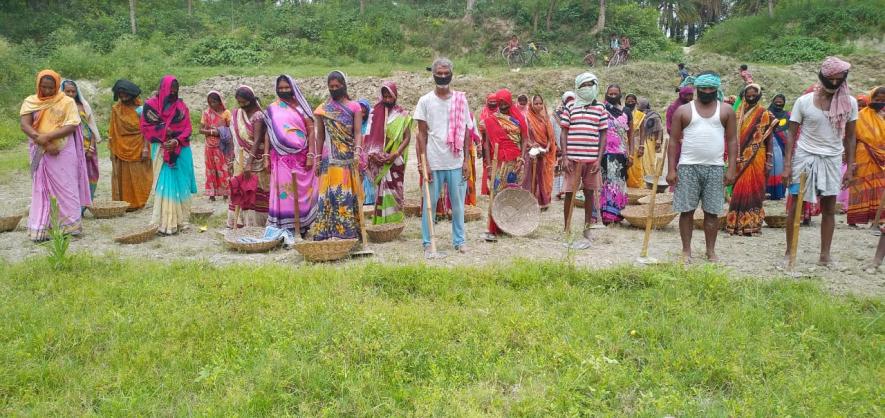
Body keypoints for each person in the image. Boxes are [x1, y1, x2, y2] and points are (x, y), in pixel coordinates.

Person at [782, 57, 858, 267]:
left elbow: (851, 137)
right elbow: (791, 134)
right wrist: (787, 166)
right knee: (795, 204)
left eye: (838, 80)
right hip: (804, 158)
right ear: (822, 77)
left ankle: (825, 255)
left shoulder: (850, 103)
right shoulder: (803, 102)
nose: (834, 84)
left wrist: (850, 167)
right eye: (830, 79)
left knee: (829, 208)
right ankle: (789, 252)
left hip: (833, 159)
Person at [668, 72, 738, 262]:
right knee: (686, 210)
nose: (707, 92)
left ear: (717, 89)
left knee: (712, 212)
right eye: (704, 88)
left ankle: (710, 250)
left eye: (711, 89)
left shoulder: (726, 111)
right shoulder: (683, 111)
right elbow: (673, 141)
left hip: (715, 168)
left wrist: (731, 168)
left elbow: (732, 141)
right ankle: (686, 250)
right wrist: (671, 169)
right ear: (697, 88)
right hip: (688, 167)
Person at [19, 69, 91, 241]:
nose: (47, 91)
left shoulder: (66, 102)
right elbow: (25, 124)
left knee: (66, 185)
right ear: (38, 85)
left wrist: (49, 138)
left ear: (57, 86)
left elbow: (72, 125)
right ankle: (42, 227)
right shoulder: (31, 101)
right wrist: (42, 141)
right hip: (39, 149)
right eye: (43, 87)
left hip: (63, 149)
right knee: (40, 187)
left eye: (51, 87)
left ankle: (70, 227)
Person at [414, 58, 474, 255]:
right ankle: (426, 242)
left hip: (456, 161)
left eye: (445, 73)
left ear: (451, 74)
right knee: (429, 205)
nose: (442, 76)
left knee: (458, 205)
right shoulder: (425, 101)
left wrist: (466, 160)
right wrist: (425, 164)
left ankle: (459, 240)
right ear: (433, 75)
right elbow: (421, 134)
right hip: (434, 160)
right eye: (438, 73)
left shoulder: (460, 99)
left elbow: (466, 131)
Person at [140, 75, 197, 235]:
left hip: (181, 148)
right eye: (170, 89)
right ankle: (166, 222)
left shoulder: (181, 106)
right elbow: (146, 127)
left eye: (176, 90)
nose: (173, 92)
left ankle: (182, 220)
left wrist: (176, 141)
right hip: (161, 148)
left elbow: (187, 128)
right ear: (162, 88)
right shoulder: (150, 106)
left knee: (182, 182)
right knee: (166, 183)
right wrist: (165, 134)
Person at [311, 70, 364, 241]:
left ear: (344, 86)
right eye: (331, 86)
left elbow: (357, 132)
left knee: (346, 196)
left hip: (348, 158)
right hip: (330, 160)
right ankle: (328, 234)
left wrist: (357, 151)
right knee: (328, 196)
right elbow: (319, 137)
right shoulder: (322, 110)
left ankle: (348, 234)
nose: (334, 89)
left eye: (337, 86)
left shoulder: (354, 107)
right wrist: (317, 159)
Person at [265, 75, 319, 240]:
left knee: (304, 192)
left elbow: (311, 131)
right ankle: (287, 226)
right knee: (285, 193)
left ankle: (303, 226)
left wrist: (311, 154)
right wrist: (266, 155)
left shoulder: (303, 107)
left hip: (302, 157)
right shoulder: (272, 109)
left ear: (293, 88)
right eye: (280, 88)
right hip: (281, 159)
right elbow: (269, 134)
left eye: (286, 88)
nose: (283, 91)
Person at [560, 73, 609, 238]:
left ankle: (587, 227)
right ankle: (566, 227)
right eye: (584, 85)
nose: (587, 88)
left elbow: (603, 135)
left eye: (590, 85)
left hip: (592, 160)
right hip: (572, 160)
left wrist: (599, 159)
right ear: (578, 87)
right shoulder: (570, 107)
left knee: (589, 193)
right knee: (569, 193)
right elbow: (563, 132)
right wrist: (565, 156)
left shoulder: (600, 108)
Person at [725, 84, 777, 236]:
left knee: (755, 189)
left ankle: (752, 224)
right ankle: (735, 223)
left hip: (757, 156)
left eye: (755, 93)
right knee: (738, 189)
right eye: (748, 93)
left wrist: (769, 159)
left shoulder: (764, 113)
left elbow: (769, 139)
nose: (751, 95)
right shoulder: (736, 113)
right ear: (744, 94)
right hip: (739, 157)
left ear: (759, 95)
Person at [481, 89, 527, 241]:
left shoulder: (518, 119)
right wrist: (488, 165)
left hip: (516, 163)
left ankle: (511, 225)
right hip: (498, 162)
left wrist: (521, 158)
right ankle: (494, 228)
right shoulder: (491, 119)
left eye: (506, 104)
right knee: (496, 192)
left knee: (513, 194)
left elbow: (525, 139)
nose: (503, 107)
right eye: (500, 104)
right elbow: (487, 144)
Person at [365, 81, 412, 225]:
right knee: (380, 191)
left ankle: (395, 222)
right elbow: (368, 137)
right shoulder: (374, 113)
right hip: (379, 160)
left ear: (395, 96)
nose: (387, 100)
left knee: (395, 191)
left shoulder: (402, 115)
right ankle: (381, 222)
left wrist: (396, 153)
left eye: (389, 97)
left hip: (395, 161)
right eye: (384, 96)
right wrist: (373, 154)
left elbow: (407, 137)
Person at [228, 86, 270, 228]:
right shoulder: (237, 114)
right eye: (239, 102)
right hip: (240, 158)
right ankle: (240, 222)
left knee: (256, 190)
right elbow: (235, 139)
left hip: (254, 159)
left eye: (244, 102)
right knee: (240, 189)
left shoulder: (258, 116)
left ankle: (256, 225)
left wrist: (249, 162)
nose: (242, 105)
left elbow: (257, 139)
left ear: (251, 100)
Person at [108, 79, 152, 211]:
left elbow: (147, 129)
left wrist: (145, 147)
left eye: (125, 93)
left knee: (140, 175)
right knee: (123, 176)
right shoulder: (116, 109)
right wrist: (112, 149)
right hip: (120, 147)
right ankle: (123, 204)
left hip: (139, 146)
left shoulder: (141, 109)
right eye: (120, 94)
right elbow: (112, 130)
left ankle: (138, 202)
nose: (123, 96)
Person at [847, 86, 883, 228]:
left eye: (883, 100)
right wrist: (852, 160)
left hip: (881, 157)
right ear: (870, 98)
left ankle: (878, 217)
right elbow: (852, 138)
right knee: (859, 183)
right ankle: (854, 218)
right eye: (877, 99)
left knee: (879, 185)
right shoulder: (860, 116)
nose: (880, 102)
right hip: (863, 154)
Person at [61, 80, 101, 200]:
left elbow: (91, 127)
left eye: (73, 91)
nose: (70, 94)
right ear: (62, 91)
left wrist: (91, 148)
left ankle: (84, 204)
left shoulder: (83, 106)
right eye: (67, 91)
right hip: (67, 146)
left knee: (89, 174)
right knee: (70, 176)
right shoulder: (58, 107)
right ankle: (72, 205)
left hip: (86, 145)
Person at [526, 94, 557, 210]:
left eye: (540, 103)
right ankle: (533, 201)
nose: (538, 106)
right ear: (531, 104)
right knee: (534, 177)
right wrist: (531, 145)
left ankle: (544, 201)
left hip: (545, 153)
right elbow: (525, 136)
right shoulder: (527, 118)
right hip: (533, 153)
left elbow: (551, 137)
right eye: (536, 103)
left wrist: (548, 147)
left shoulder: (545, 119)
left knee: (545, 177)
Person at [199, 91, 231, 201]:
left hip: (221, 145)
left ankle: (225, 193)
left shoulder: (226, 113)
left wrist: (220, 132)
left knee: (222, 168)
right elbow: (200, 129)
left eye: (215, 102)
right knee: (210, 169)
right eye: (210, 102)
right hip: (209, 145)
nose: (213, 104)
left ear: (220, 101)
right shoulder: (206, 113)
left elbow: (230, 129)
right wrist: (213, 132)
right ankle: (211, 194)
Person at [766, 94, 790, 200]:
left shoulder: (787, 115)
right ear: (773, 101)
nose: (779, 104)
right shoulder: (766, 114)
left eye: (781, 102)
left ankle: (779, 193)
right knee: (768, 169)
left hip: (783, 147)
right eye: (777, 101)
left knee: (780, 169)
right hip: (769, 146)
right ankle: (767, 192)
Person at [553, 92, 575, 200]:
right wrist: (556, 144)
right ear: (564, 100)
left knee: (567, 169)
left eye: (571, 99)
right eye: (567, 100)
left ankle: (566, 190)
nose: (569, 102)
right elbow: (551, 130)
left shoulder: (574, 112)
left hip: (569, 145)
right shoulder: (555, 114)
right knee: (558, 168)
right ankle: (558, 190)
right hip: (557, 143)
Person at [636, 98, 663, 180]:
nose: (638, 105)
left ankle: (650, 175)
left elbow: (660, 129)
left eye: (639, 103)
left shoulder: (654, 115)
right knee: (642, 159)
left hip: (651, 139)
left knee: (650, 158)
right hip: (641, 139)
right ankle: (643, 176)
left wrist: (658, 140)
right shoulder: (637, 114)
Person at [478, 93, 498, 196]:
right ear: (487, 102)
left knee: (498, 165)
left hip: (498, 142)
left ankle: (496, 187)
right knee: (487, 165)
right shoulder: (484, 111)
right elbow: (481, 125)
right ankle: (486, 189)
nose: (493, 104)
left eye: (495, 102)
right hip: (486, 142)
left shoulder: (500, 111)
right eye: (491, 102)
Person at [624, 93, 645, 188]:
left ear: (636, 102)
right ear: (625, 102)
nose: (630, 103)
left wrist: (642, 146)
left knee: (636, 165)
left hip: (635, 142)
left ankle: (636, 186)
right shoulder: (622, 113)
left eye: (632, 101)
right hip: (624, 142)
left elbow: (642, 132)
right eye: (628, 101)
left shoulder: (641, 115)